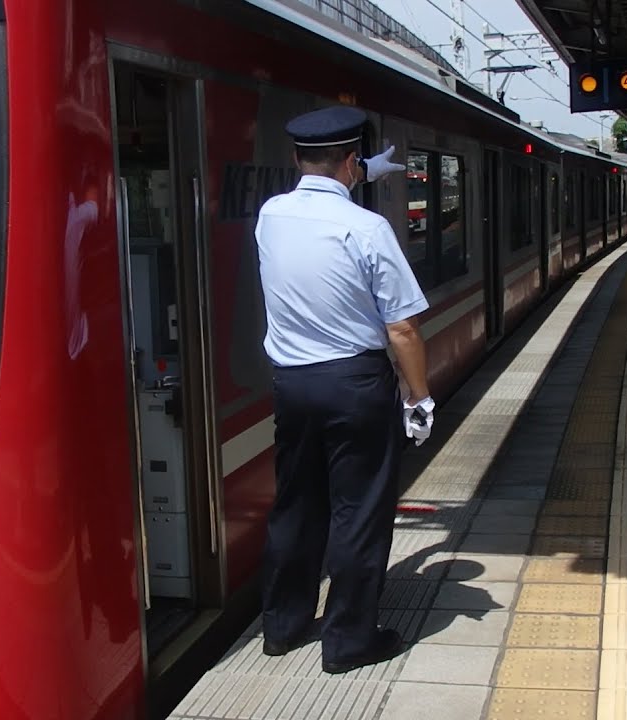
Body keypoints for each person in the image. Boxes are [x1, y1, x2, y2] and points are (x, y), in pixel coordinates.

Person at [254, 105, 435, 675]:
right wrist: (419, 398)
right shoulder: (368, 227)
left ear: (296, 158)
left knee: (296, 505)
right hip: (355, 385)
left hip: (293, 385)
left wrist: (361, 170)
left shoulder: (271, 215)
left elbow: (320, 198)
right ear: (353, 162)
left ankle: (282, 628)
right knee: (358, 512)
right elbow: (402, 328)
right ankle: (349, 642)